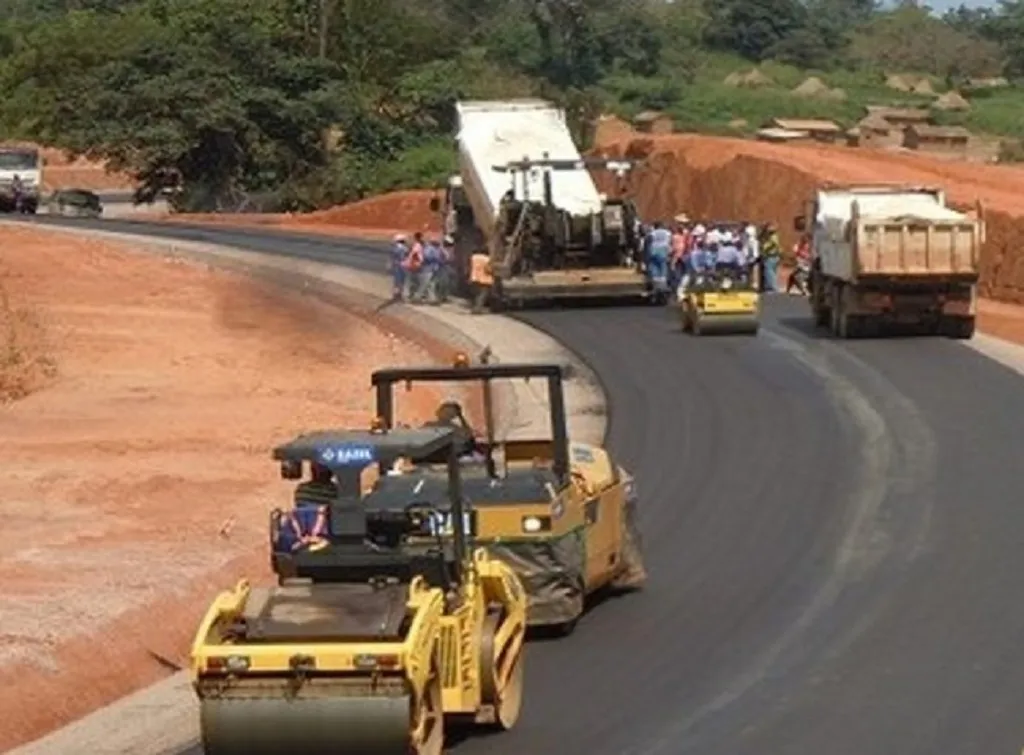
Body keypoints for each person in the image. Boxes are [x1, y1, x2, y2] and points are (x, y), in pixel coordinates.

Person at [645, 221, 672, 294]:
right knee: (663, 267)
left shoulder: (652, 233)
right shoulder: (667, 233)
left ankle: (656, 286)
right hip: (664, 251)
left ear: (655, 226)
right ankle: (663, 285)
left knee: (654, 267)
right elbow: (670, 242)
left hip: (654, 251)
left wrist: (646, 254)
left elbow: (648, 242)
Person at [421, 235, 444, 304]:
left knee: (431, 284)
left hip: (434, 268)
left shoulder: (437, 249)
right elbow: (426, 256)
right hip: (429, 268)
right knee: (426, 283)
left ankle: (432, 299)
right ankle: (419, 296)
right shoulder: (430, 248)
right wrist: (435, 259)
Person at [760, 223, 782, 293]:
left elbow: (773, 243)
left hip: (772, 256)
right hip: (773, 256)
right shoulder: (771, 236)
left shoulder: (773, 236)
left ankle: (773, 288)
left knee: (769, 272)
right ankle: (770, 287)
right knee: (772, 272)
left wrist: (765, 247)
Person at [469, 248, 492, 313]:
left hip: (474, 277)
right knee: (482, 295)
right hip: (484, 279)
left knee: (476, 294)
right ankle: (477, 309)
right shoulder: (487, 259)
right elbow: (488, 269)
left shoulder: (474, 257)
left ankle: (474, 308)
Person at [403, 232, 425, 300]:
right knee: (410, 280)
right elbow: (414, 254)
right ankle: (407, 295)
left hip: (414, 264)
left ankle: (410, 294)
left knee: (413, 280)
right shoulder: (417, 245)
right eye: (421, 237)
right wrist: (414, 262)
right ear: (418, 238)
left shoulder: (416, 244)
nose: (423, 238)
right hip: (413, 264)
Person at [388, 233, 408, 300]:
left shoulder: (394, 248)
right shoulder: (405, 248)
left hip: (396, 265)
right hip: (402, 265)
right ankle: (399, 294)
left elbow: (391, 257)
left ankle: (396, 294)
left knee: (396, 280)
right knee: (402, 280)